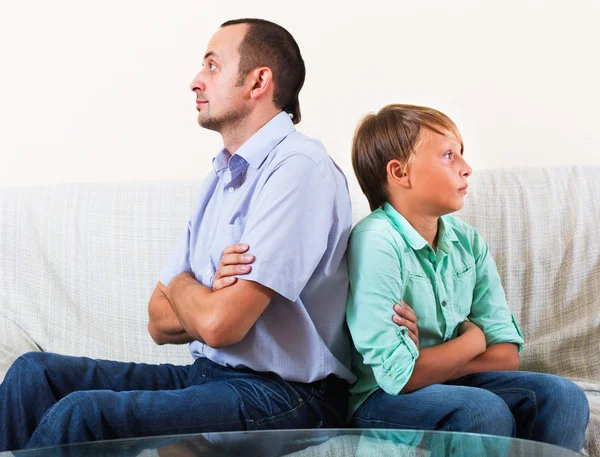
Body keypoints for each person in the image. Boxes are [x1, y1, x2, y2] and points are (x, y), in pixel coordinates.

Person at [0, 18, 355, 452]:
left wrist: (185, 286)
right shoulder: (220, 177)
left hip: (287, 395)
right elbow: (157, 320)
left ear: (258, 81)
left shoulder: (299, 169)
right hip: (210, 377)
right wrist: (204, 293)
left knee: (83, 414)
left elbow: (219, 324)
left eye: (211, 66)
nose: (195, 82)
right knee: (33, 374)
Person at [345, 104, 589, 452]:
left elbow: (506, 355)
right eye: (448, 155)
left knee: (564, 397)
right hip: (382, 400)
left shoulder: (468, 241)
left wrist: (431, 363)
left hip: (451, 384)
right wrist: (472, 342)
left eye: (462, 154)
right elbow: (401, 376)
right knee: (482, 410)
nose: (466, 168)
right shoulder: (377, 242)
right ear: (400, 173)